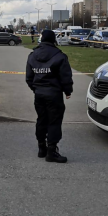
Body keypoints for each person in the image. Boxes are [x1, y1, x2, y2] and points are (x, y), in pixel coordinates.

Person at [25, 30, 73, 163]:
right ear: (53, 40)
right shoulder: (59, 56)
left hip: (39, 94)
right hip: (54, 95)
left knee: (41, 119)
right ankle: (51, 151)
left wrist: (36, 89)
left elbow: (29, 78)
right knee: (54, 121)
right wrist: (68, 91)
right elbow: (65, 77)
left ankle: (42, 148)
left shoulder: (32, 55)